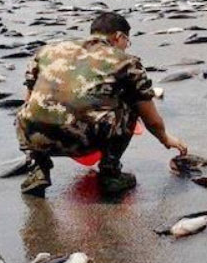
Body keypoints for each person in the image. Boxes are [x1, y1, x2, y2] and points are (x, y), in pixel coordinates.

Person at [16, 12, 188, 197]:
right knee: (132, 104)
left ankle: (37, 171)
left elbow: (29, 99)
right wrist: (165, 138)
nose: (126, 47)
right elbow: (150, 118)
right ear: (119, 37)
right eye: (127, 42)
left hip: (35, 137)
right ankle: (110, 173)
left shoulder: (46, 51)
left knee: (32, 111)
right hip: (84, 138)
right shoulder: (127, 62)